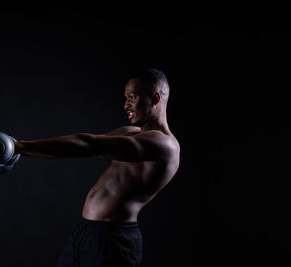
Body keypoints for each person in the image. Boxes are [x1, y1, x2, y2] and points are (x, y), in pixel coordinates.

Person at [14, 69, 180, 267]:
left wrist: (20, 146)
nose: (126, 105)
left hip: (113, 240)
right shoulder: (131, 132)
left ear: (155, 98)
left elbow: (89, 145)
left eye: (132, 98)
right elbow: (81, 147)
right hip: (86, 232)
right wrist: (19, 152)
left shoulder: (165, 145)